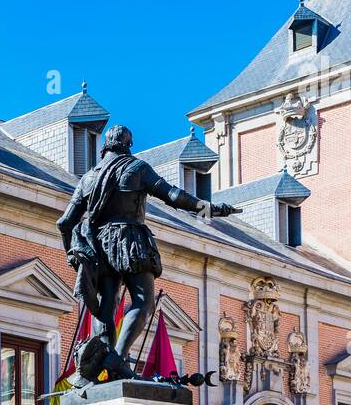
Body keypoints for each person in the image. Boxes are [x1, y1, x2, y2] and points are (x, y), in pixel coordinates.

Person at [56, 124, 240, 382]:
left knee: (106, 309)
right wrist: (209, 207)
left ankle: (109, 365)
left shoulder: (87, 178)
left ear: (104, 147)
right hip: (130, 241)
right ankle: (117, 358)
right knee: (143, 302)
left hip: (99, 246)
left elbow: (64, 223)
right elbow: (172, 195)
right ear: (128, 145)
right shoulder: (136, 168)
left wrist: (72, 257)